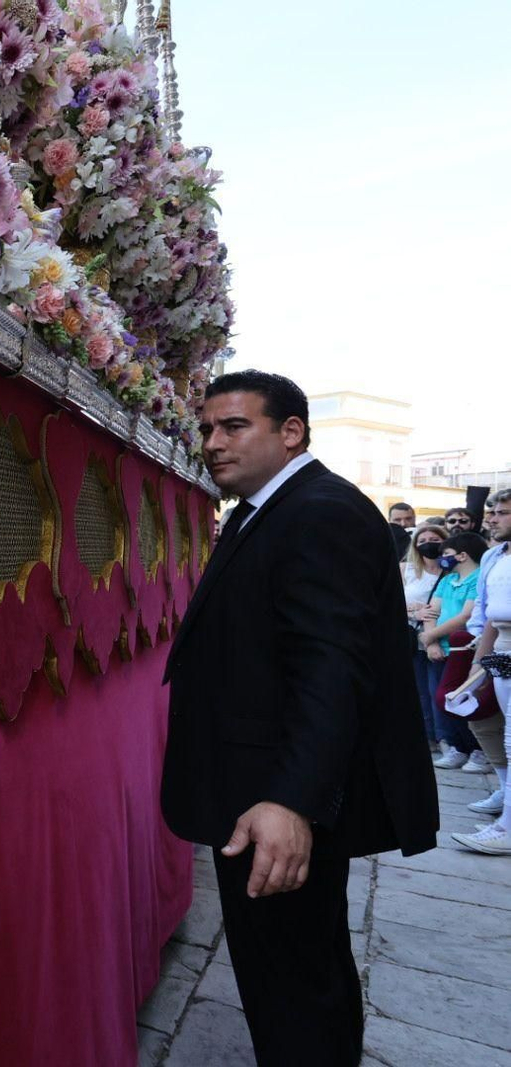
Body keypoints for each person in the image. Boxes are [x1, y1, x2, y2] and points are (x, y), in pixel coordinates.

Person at [163, 371, 437, 1066]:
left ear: (291, 432)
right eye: (206, 429)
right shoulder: (273, 508)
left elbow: (331, 668)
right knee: (288, 974)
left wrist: (291, 800)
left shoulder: (318, 511)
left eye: (234, 426)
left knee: (294, 984)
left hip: (273, 800)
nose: (213, 443)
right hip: (254, 792)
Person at [452, 489, 511, 854]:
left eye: (503, 512)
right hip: (502, 650)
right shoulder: (493, 557)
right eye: (493, 511)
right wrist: (477, 670)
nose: (493, 518)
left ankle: (507, 826)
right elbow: (489, 616)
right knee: (502, 735)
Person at [419, 533, 491, 775]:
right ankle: (456, 747)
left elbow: (466, 615)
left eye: (447, 555)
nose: (442, 560)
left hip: (465, 649)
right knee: (440, 699)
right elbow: (431, 611)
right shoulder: (448, 579)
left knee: (462, 699)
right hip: (441, 648)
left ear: (462, 555)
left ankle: (478, 751)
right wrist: (432, 642)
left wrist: (429, 636)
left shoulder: (478, 577)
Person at [402, 526, 450, 756]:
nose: (429, 543)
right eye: (423, 540)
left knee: (439, 690)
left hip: (443, 637)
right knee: (421, 691)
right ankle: (428, 737)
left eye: (434, 539)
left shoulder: (451, 571)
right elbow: (391, 602)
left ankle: (446, 738)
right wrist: (414, 613)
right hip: (415, 638)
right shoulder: (407, 570)